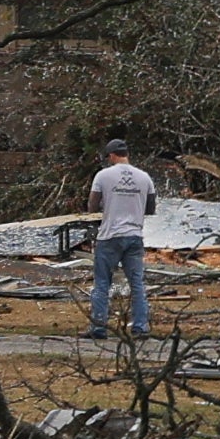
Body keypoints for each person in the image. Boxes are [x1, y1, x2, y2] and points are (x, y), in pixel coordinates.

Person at [87, 138, 157, 339]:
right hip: (134, 235)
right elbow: (150, 209)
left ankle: (99, 326)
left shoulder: (103, 176)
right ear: (127, 154)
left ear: (111, 156)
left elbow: (92, 206)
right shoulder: (144, 177)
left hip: (109, 235)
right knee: (137, 283)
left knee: (102, 283)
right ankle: (141, 327)